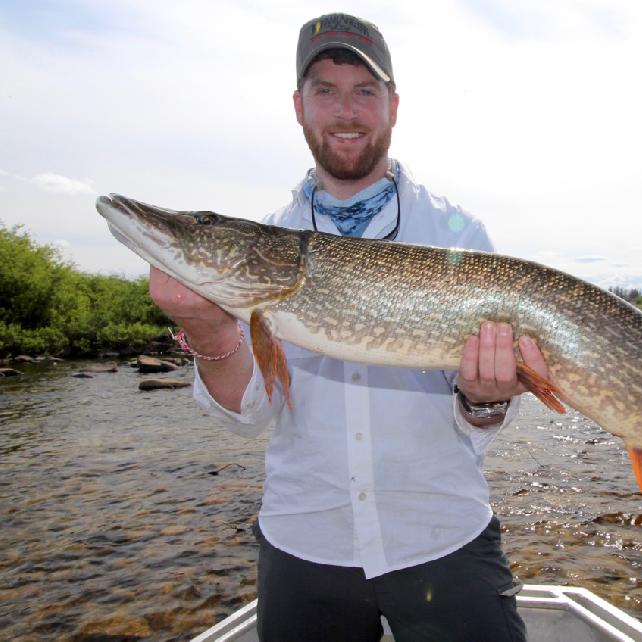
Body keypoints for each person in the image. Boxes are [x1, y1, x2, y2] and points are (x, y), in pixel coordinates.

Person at [148, 12, 547, 642]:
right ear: (299, 108)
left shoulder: (457, 236)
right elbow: (249, 414)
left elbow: (485, 420)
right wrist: (208, 332)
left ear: (393, 105)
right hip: (306, 541)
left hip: (442, 536)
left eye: (365, 90)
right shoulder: (271, 246)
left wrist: (483, 398)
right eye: (325, 90)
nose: (347, 110)